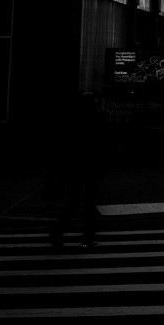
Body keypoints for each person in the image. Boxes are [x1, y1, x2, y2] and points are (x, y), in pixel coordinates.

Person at [49, 91, 107, 250]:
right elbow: (99, 146)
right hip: (89, 168)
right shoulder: (95, 121)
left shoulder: (73, 122)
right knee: (89, 204)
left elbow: (65, 146)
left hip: (75, 168)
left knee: (73, 200)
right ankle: (87, 237)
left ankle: (59, 229)